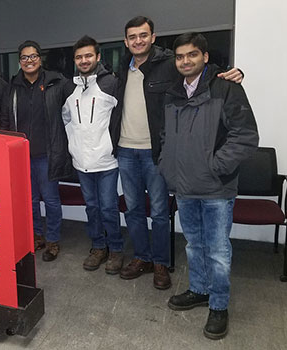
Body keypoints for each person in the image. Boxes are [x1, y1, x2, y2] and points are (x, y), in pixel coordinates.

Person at [111, 16, 244, 290]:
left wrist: (231, 72)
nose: (138, 41)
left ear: (153, 37)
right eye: (132, 37)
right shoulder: (121, 70)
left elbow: (200, 72)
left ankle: (160, 262)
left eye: (143, 35)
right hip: (125, 150)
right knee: (134, 209)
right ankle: (141, 257)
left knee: (160, 212)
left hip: (157, 153)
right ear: (126, 42)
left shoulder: (169, 64)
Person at [159, 32, 258, 340]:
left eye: (191, 55)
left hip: (216, 188)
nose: (185, 61)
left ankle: (219, 305)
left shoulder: (226, 87)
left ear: (204, 56)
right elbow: (166, 137)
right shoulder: (173, 93)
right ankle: (200, 290)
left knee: (217, 250)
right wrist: (167, 164)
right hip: (184, 186)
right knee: (194, 245)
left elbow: (245, 136)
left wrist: (216, 167)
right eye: (179, 56)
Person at [3, 40, 74, 262]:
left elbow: (73, 106)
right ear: (19, 61)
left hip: (47, 154)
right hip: (21, 155)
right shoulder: (12, 87)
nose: (29, 61)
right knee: (30, 200)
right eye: (24, 57)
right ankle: (37, 235)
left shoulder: (56, 82)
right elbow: (7, 119)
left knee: (51, 200)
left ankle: (53, 240)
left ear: (40, 58)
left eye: (33, 56)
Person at [62, 36, 123, 272]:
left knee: (108, 207)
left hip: (107, 161)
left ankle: (116, 249)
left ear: (98, 57)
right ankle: (99, 247)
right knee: (92, 207)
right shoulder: (70, 87)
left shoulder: (112, 83)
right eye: (79, 57)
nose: (84, 60)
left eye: (88, 55)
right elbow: (65, 118)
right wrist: (72, 143)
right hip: (81, 161)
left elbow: (120, 118)